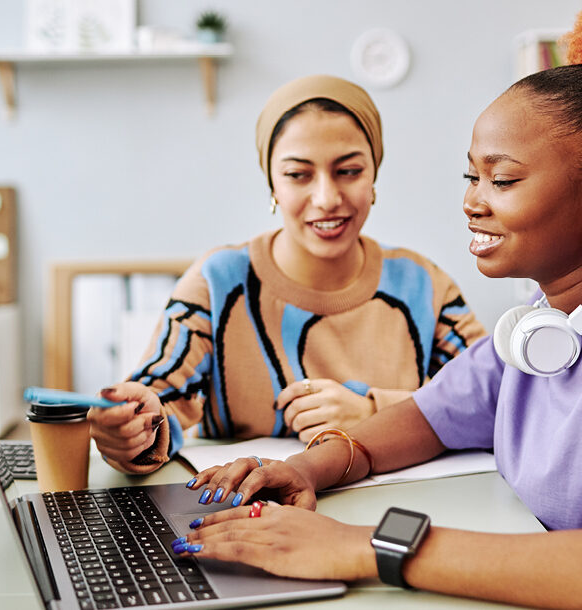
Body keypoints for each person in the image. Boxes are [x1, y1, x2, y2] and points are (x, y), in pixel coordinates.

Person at [173, 1, 582, 607]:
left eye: (503, 179)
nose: (472, 201)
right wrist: (307, 469)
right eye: (471, 176)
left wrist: (368, 547)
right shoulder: (545, 325)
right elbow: (420, 423)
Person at [89, 75, 487, 476]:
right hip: (244, 518)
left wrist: (373, 412)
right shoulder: (219, 282)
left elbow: (499, 405)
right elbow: (158, 402)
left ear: (374, 176)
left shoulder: (423, 285)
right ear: (272, 184)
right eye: (298, 175)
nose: (327, 199)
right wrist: (130, 430)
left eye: (349, 171)